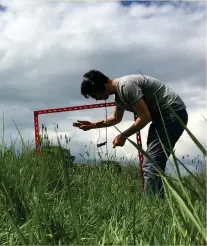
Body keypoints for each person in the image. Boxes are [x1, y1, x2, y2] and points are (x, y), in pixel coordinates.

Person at [73, 70, 188, 198]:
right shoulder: (118, 94)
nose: (96, 99)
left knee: (151, 164)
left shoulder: (126, 86)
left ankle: (152, 206)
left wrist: (123, 136)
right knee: (152, 164)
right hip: (162, 118)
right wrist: (93, 125)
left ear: (100, 86)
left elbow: (144, 117)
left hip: (172, 114)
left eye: (94, 95)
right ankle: (159, 203)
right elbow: (116, 118)